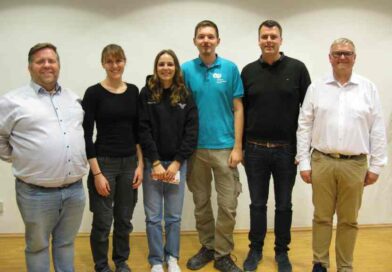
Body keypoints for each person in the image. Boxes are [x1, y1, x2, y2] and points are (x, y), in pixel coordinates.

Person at [296, 38, 387, 272]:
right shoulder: (316, 87)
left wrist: (377, 165)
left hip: (355, 164)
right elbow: (304, 125)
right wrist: (303, 162)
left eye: (347, 53)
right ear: (330, 58)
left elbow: (377, 128)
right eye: (337, 53)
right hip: (322, 161)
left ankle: (345, 266)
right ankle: (320, 263)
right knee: (322, 218)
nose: (342, 57)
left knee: (348, 221)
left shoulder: (368, 88)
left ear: (355, 58)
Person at [0, 43, 87, 272]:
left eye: (52, 60)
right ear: (30, 67)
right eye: (41, 61)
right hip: (36, 193)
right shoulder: (12, 101)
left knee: (66, 243)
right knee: (37, 246)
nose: (47, 65)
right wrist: (21, 157)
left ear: (59, 65)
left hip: (74, 190)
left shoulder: (73, 99)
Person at [241, 20, 311, 272]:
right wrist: (240, 148)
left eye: (273, 36)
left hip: (286, 151)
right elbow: (241, 112)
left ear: (281, 39)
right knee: (257, 204)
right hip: (255, 150)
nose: (268, 40)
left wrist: (304, 152)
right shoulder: (248, 71)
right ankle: (255, 249)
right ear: (258, 40)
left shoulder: (298, 69)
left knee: (284, 204)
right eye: (264, 36)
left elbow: (309, 114)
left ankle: (282, 252)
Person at [182, 20, 244, 272]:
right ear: (195, 40)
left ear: (218, 40)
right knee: (201, 202)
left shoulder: (230, 69)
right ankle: (207, 246)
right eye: (201, 36)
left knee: (228, 205)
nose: (206, 40)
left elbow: (238, 108)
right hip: (195, 149)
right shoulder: (185, 69)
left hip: (225, 148)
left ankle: (223, 254)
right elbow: (180, 110)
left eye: (210, 36)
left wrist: (238, 146)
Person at [82, 44, 143, 272]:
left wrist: (140, 165)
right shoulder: (93, 93)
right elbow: (86, 136)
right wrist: (97, 173)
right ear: (103, 64)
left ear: (124, 61)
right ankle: (101, 265)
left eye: (118, 61)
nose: (114, 65)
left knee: (124, 220)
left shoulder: (134, 91)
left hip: (130, 163)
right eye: (109, 61)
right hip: (104, 163)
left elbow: (139, 132)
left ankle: (121, 261)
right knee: (102, 221)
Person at [139, 49, 198, 272]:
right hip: (151, 164)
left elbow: (191, 132)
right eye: (161, 64)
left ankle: (172, 257)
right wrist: (154, 161)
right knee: (153, 217)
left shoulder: (185, 94)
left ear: (176, 68)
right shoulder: (146, 93)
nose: (166, 68)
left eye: (170, 64)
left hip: (176, 164)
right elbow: (142, 129)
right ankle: (155, 260)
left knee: (173, 216)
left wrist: (176, 162)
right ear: (156, 67)